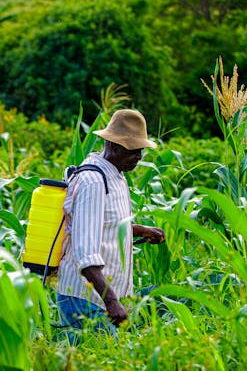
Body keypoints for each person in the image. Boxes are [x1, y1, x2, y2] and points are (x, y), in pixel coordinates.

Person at [56, 109, 166, 343]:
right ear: (114, 146)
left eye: (141, 151)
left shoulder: (116, 175)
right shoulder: (93, 181)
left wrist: (142, 231)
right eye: (133, 151)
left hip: (99, 297)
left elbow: (106, 225)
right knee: (100, 364)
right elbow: (86, 253)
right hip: (85, 298)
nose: (139, 157)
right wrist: (112, 301)